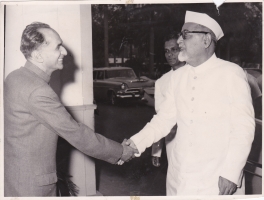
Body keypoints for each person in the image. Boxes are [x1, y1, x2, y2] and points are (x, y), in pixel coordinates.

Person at [125, 11, 255, 195]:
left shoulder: (231, 74)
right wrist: (134, 144)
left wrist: (231, 173)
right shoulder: (176, 77)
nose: (179, 41)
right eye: (180, 35)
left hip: (216, 178)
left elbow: (244, 129)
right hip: (180, 177)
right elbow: (163, 121)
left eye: (185, 35)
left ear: (206, 40)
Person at [4, 22, 137, 197]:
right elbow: (76, 133)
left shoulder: (14, 77)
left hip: (16, 177)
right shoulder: (38, 91)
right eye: (58, 47)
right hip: (33, 186)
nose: (65, 52)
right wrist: (120, 151)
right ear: (38, 55)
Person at [151, 32, 185, 167]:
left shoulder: (195, 73)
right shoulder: (161, 82)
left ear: (182, 49)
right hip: (173, 141)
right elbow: (161, 117)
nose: (169, 55)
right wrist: (156, 150)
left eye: (174, 50)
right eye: (166, 51)